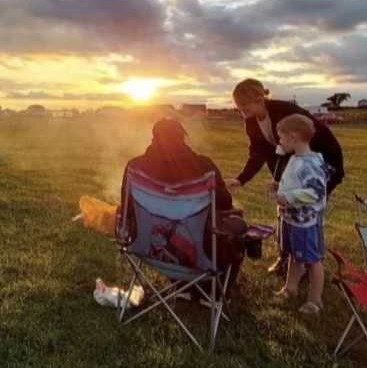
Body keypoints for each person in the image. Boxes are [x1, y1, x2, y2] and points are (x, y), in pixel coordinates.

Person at [225, 79, 345, 276]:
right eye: (237, 105)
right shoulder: (251, 123)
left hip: (318, 166)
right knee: (286, 213)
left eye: (243, 104)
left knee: (309, 215)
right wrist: (241, 179)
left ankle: (312, 262)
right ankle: (287, 259)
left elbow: (305, 142)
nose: (240, 109)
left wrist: (287, 181)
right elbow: (258, 153)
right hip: (291, 170)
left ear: (258, 99)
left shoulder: (285, 111)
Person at [119, 118, 246, 294]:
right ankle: (214, 292)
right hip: (200, 254)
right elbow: (225, 202)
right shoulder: (204, 166)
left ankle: (181, 286)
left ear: (153, 139)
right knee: (238, 226)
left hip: (147, 247)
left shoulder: (135, 167)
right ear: (183, 138)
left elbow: (127, 208)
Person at [270, 114, 332, 315]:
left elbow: (316, 192)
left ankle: (315, 300)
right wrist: (279, 188)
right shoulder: (296, 159)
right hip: (290, 219)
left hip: (304, 223)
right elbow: (296, 184)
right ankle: (290, 288)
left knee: (312, 261)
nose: (279, 140)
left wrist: (290, 196)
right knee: (295, 256)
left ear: (293, 137)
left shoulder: (310, 163)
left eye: (281, 136)